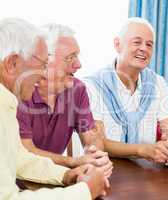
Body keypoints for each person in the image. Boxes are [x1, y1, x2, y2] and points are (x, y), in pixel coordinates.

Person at [0, 18, 108, 200]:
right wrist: (85, 191)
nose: (44, 73)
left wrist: (65, 175)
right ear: (12, 64)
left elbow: (18, 158)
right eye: (42, 65)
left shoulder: (7, 101)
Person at [83, 17, 168, 165]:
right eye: (137, 42)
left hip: (146, 172)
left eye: (149, 45)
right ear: (118, 45)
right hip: (102, 170)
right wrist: (141, 150)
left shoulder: (158, 83)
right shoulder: (92, 85)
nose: (144, 48)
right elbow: (98, 142)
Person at [16, 24, 112, 175]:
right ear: (46, 59)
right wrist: (72, 162)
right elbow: (25, 152)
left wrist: (94, 155)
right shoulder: (21, 91)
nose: (79, 65)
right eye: (70, 58)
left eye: (77, 56)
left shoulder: (77, 89)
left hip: (55, 177)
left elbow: (92, 137)